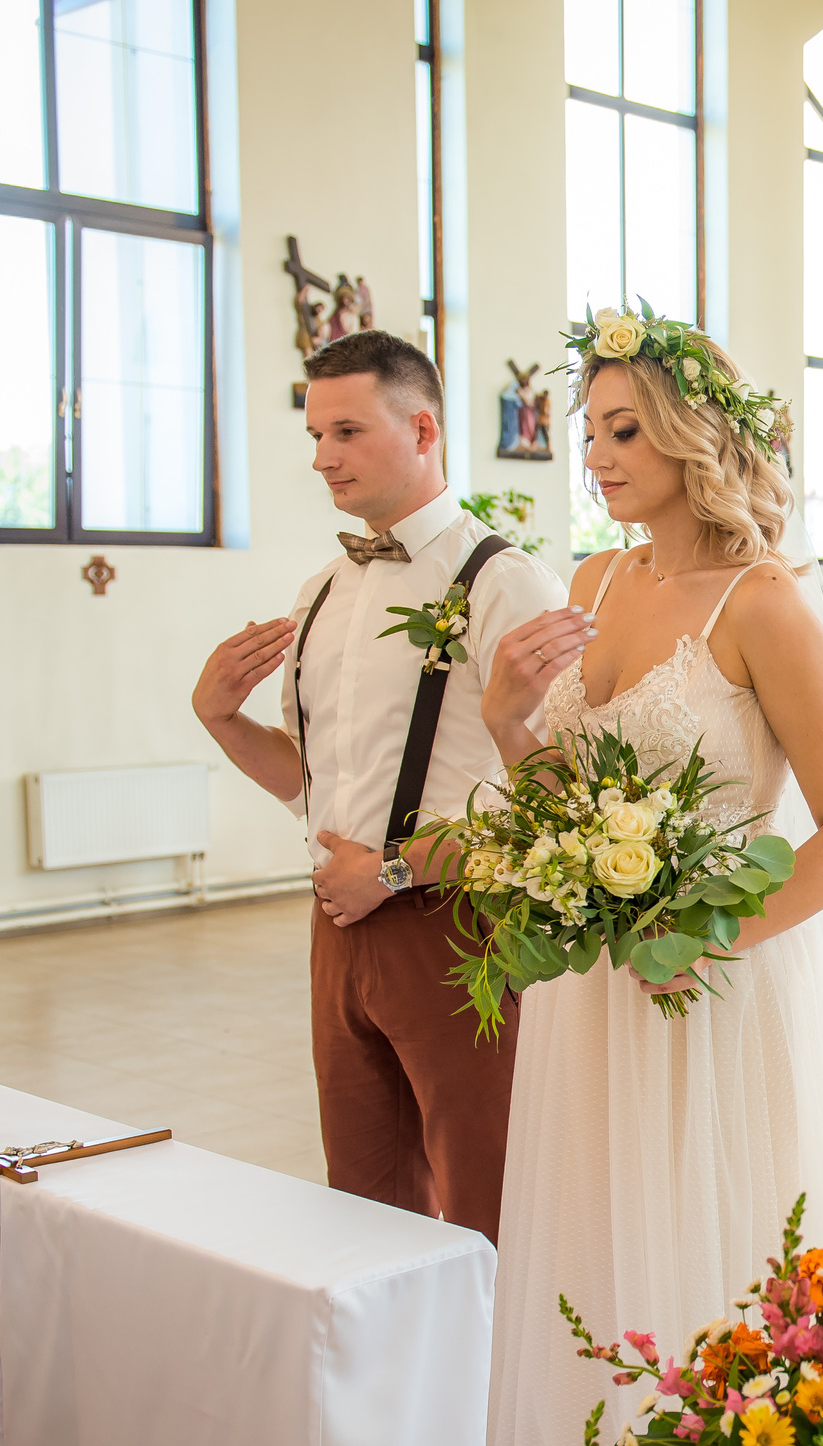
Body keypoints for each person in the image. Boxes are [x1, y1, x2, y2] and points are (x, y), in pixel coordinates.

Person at [476, 310, 823, 1446]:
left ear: (695, 435)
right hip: (591, 1000)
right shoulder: (589, 575)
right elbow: (557, 804)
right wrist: (506, 721)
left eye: (624, 428)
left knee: (708, 1264)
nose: (596, 455)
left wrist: (707, 939)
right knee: (588, 1250)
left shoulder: (764, 600)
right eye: (588, 431)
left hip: (711, 993)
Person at [190, 328, 565, 1244]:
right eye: (316, 434)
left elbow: (551, 807)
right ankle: (395, 1382)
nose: (322, 457)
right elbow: (311, 785)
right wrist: (222, 719)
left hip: (461, 927)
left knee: (488, 1195)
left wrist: (392, 871)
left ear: (424, 428)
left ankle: (496, 1384)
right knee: (361, 1201)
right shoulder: (321, 589)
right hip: (338, 930)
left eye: (346, 431)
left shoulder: (504, 582)